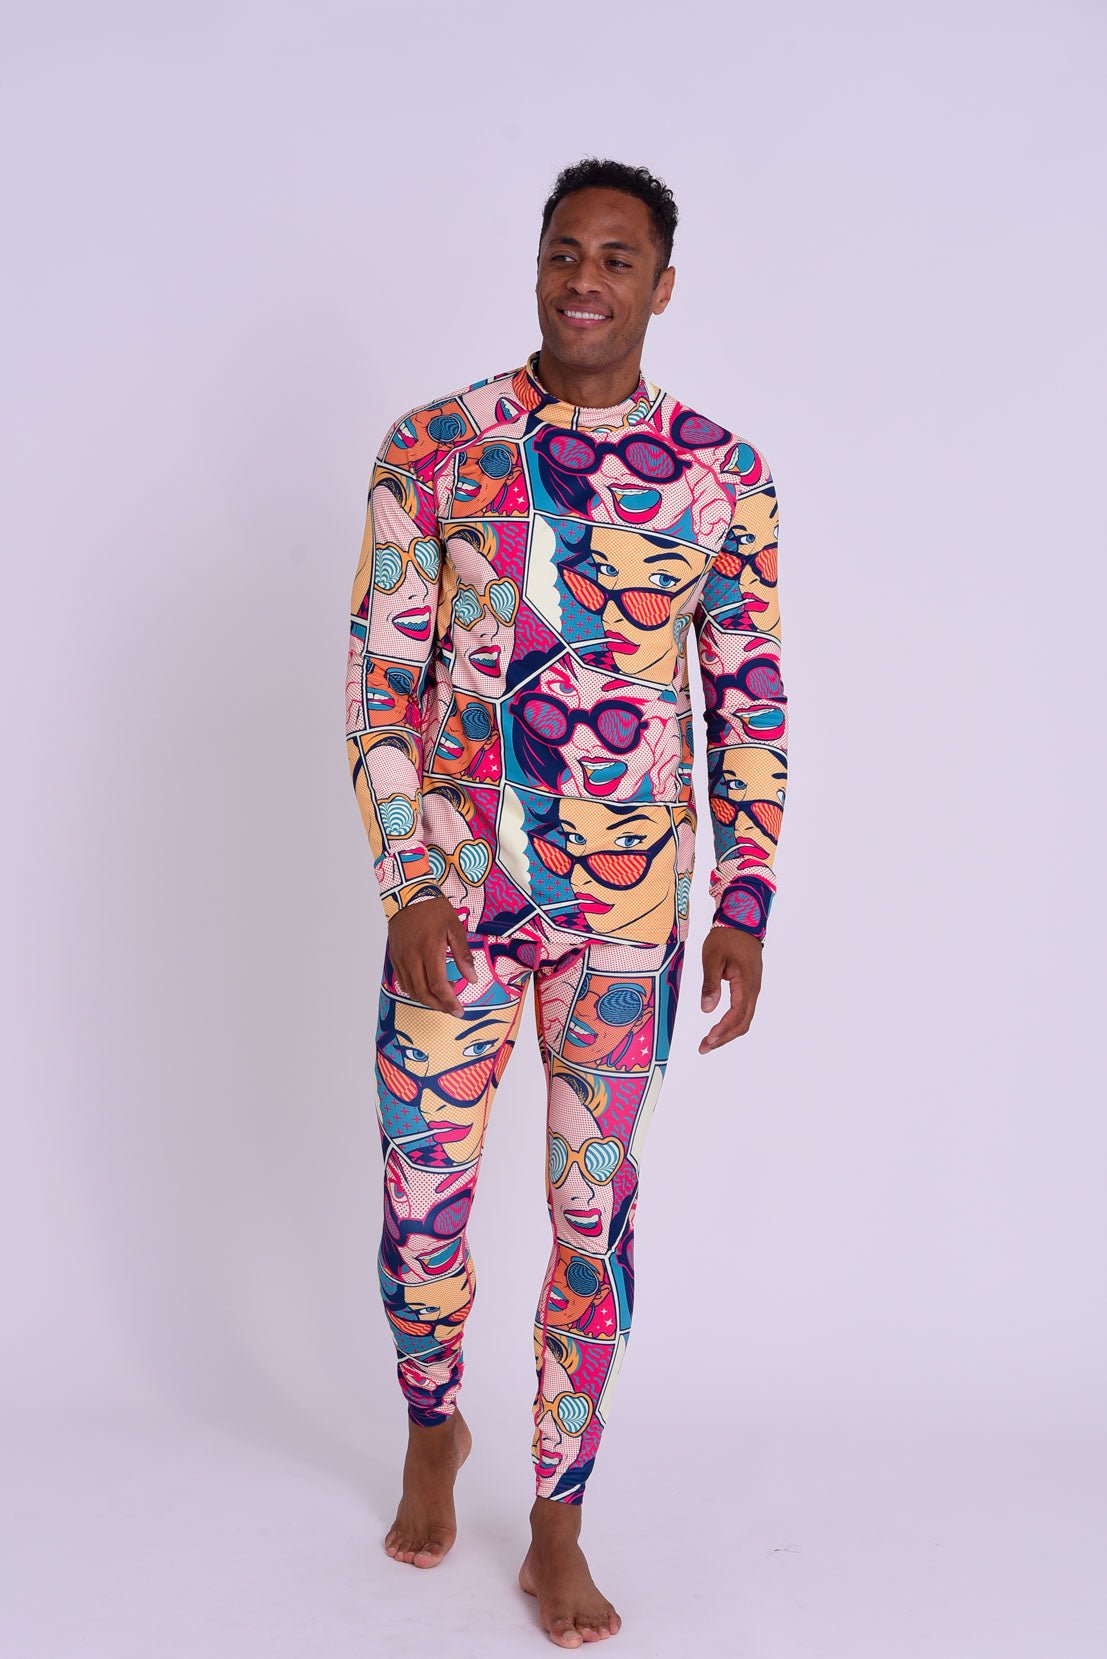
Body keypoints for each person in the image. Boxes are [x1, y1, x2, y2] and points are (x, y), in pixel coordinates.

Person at [345, 155, 789, 1648]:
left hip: (627, 919)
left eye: (615, 259)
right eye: (562, 253)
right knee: (423, 1206)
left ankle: (555, 1519)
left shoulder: (722, 475)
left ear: (661, 287)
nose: (583, 281)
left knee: (591, 1225)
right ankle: (432, 1424)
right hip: (457, 904)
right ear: (536, 267)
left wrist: (745, 902)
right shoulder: (437, 446)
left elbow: (748, 697)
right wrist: (407, 879)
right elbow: (379, 683)